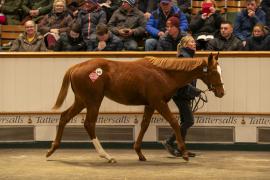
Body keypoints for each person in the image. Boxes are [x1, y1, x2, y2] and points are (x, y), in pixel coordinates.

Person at [162, 35, 201, 157]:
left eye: (194, 42)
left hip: (183, 94)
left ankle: (181, 148)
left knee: (185, 121)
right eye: (191, 42)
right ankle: (169, 141)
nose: (194, 44)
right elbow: (180, 80)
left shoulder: (187, 56)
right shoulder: (184, 57)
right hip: (180, 94)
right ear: (185, 45)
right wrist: (193, 90)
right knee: (189, 121)